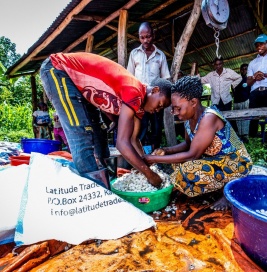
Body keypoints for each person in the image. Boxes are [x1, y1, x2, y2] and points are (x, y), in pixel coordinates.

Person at [40, 52, 172, 189]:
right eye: (160, 105)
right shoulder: (135, 91)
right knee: (81, 135)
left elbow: (133, 139)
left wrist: (145, 166)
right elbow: (122, 143)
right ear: (155, 90)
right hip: (59, 70)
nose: (157, 110)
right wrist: (149, 174)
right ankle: (96, 193)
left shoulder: (138, 106)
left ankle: (106, 184)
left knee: (99, 134)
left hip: (78, 88)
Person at [143, 76, 252, 210]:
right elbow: (188, 145)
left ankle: (230, 191)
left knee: (187, 170)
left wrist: (153, 158)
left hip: (236, 163)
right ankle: (215, 188)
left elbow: (192, 155)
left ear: (193, 102)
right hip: (215, 162)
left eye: (178, 108)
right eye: (173, 109)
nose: (175, 113)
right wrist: (166, 150)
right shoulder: (188, 119)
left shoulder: (209, 117)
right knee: (177, 165)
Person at [127, 22, 170, 150]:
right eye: (142, 37)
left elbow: (166, 79)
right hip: (140, 101)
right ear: (139, 37)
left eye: (148, 36)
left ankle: (155, 156)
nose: (145, 40)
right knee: (141, 128)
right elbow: (129, 77)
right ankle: (140, 155)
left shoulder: (160, 55)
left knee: (157, 129)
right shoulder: (134, 54)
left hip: (156, 100)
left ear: (153, 35)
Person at [247, 33, 267, 138]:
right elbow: (248, 82)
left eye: (262, 44)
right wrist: (255, 77)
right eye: (257, 45)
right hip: (254, 93)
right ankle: (252, 139)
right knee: (253, 117)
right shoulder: (252, 63)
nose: (259, 47)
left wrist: (264, 75)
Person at [233, 64, 251, 143]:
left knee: (245, 119)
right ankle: (239, 136)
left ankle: (245, 136)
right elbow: (233, 90)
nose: (244, 70)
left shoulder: (249, 79)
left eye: (245, 69)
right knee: (237, 119)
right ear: (240, 70)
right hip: (237, 102)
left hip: (245, 101)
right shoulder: (236, 80)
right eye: (242, 69)